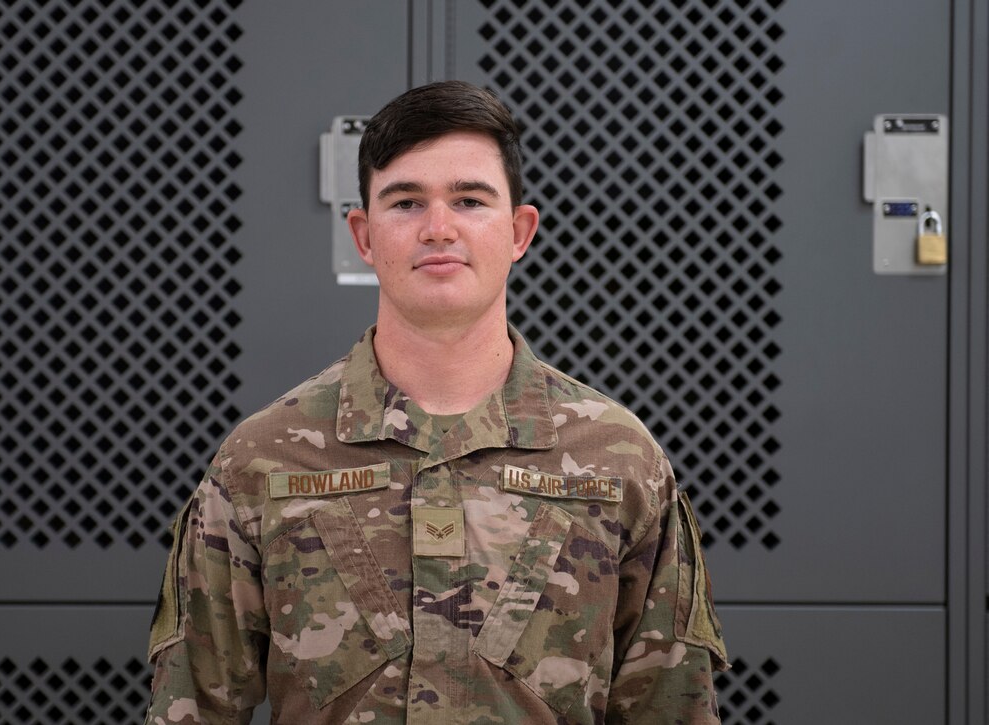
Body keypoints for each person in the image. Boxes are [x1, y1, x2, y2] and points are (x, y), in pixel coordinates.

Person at [144, 80, 728, 725]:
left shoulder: (619, 460)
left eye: (470, 200)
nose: (438, 228)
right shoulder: (261, 460)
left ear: (519, 232)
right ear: (364, 237)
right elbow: (191, 707)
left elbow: (672, 709)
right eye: (406, 202)